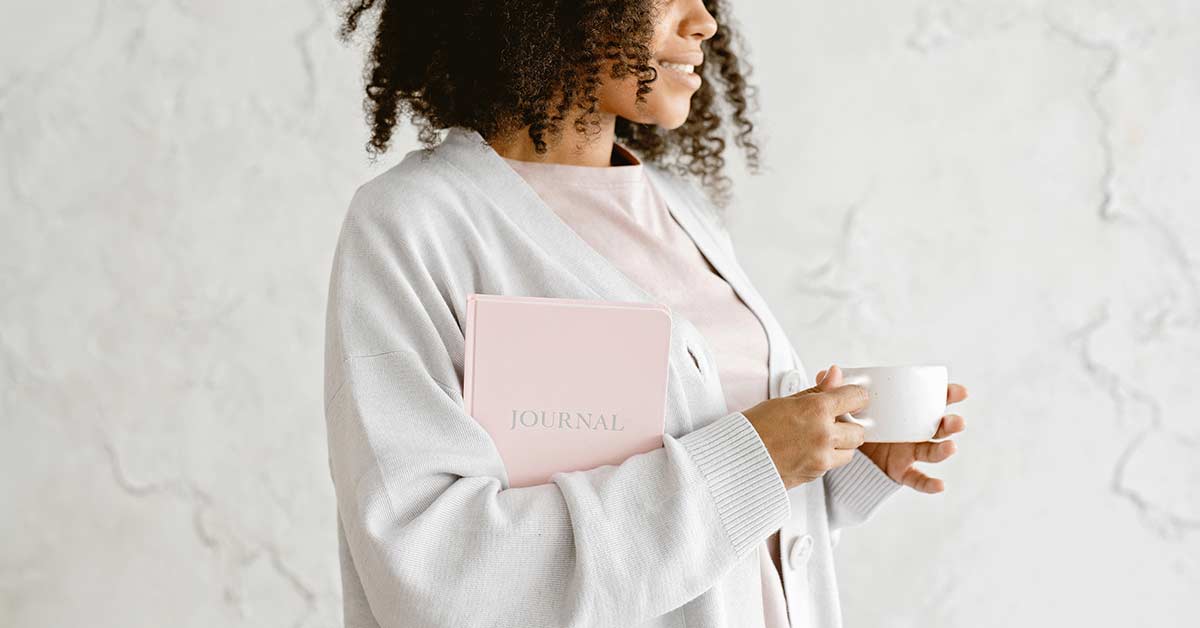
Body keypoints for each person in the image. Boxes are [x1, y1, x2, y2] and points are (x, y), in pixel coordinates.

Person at [325, 1, 969, 627]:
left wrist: (841, 463)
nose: (705, 21)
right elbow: (433, 573)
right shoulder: (415, 226)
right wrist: (757, 459)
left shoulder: (682, 210)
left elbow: (727, 534)